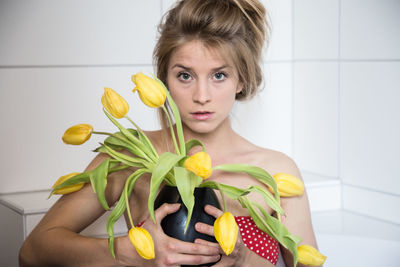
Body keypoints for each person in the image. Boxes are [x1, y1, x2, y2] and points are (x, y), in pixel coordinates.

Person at [19, 0, 318, 266]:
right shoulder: (130, 154)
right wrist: (127, 252)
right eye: (185, 75)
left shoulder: (276, 172)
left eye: (219, 75)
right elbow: (33, 251)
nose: (202, 95)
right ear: (164, 79)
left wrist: (245, 259)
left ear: (241, 80)